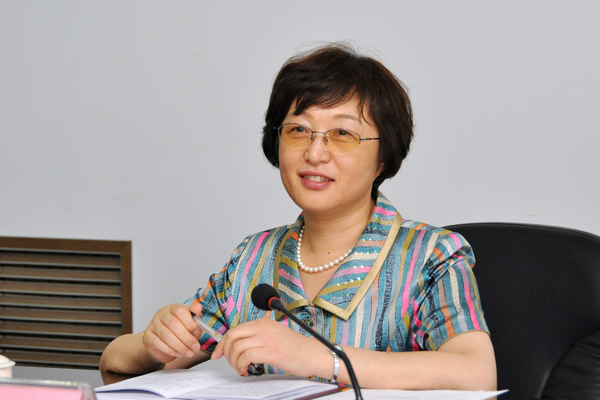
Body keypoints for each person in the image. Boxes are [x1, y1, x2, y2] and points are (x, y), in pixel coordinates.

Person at [100, 43, 496, 390]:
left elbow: (476, 374)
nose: (315, 153)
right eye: (298, 130)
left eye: (343, 134)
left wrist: (319, 357)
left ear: (383, 156)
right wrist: (151, 344)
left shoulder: (430, 256)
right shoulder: (252, 259)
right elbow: (114, 364)